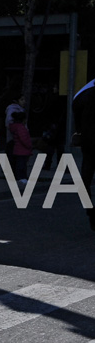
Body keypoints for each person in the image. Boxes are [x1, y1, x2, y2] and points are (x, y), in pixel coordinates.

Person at [72, 78, 95, 230]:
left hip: (88, 142)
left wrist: (79, 131)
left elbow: (75, 105)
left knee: (86, 177)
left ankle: (89, 209)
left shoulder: (84, 94)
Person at [8, 110, 32, 186]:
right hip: (22, 150)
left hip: (18, 149)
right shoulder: (21, 128)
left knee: (20, 164)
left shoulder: (15, 127)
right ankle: (21, 178)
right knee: (22, 165)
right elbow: (24, 139)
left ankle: (21, 178)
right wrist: (30, 145)